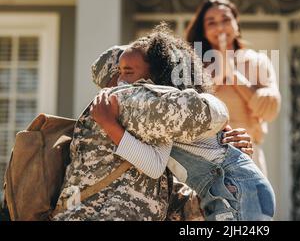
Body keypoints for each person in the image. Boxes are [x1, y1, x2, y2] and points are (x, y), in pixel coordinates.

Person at [92, 27, 275, 220]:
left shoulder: (164, 111)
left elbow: (155, 164)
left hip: (233, 192)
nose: (121, 86)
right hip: (229, 193)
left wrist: (109, 124)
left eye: (128, 72)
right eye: (115, 79)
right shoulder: (107, 126)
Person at [51, 31, 231, 221]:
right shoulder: (127, 103)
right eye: (117, 73)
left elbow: (157, 176)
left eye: (128, 72)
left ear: (156, 72)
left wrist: (223, 145)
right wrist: (219, 128)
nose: (119, 84)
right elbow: (209, 114)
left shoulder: (148, 125)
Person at [185, 0, 281, 176]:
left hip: (248, 156)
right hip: (205, 159)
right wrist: (219, 73)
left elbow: (269, 109)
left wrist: (233, 74)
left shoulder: (257, 61)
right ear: (204, 30)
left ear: (237, 23)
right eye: (211, 22)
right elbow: (188, 110)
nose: (220, 27)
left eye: (226, 20)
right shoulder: (194, 65)